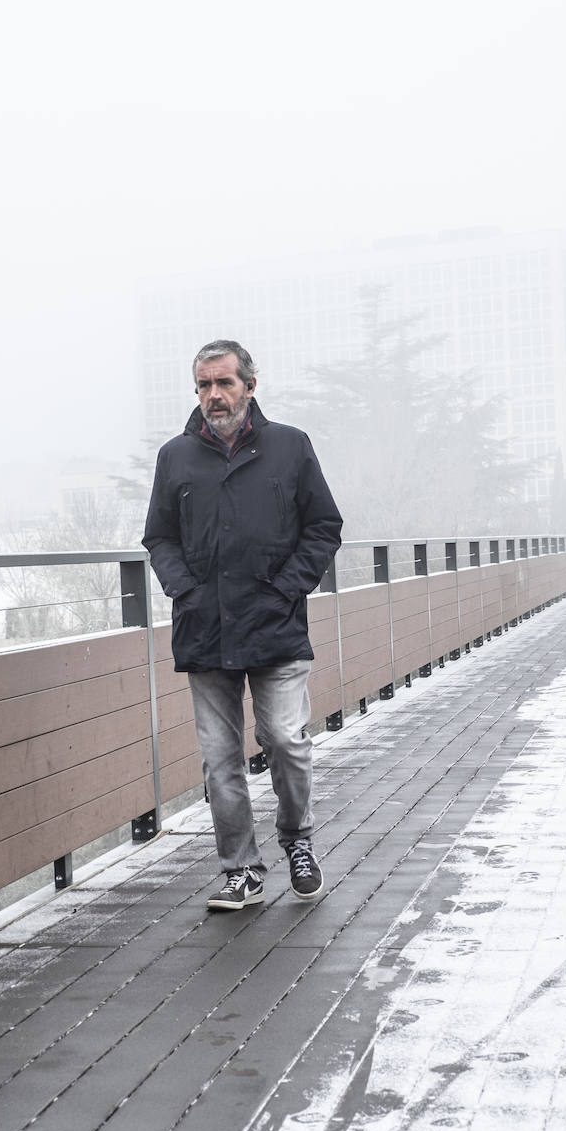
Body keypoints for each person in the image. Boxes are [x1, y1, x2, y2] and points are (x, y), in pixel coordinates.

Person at [143, 340, 343, 911]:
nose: (214, 396)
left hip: (276, 626)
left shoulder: (289, 447)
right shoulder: (175, 457)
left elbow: (324, 525)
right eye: (204, 386)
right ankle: (241, 871)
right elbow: (159, 536)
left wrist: (287, 589)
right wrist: (185, 590)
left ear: (250, 386)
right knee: (220, 760)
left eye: (224, 383)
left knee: (285, 740)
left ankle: (298, 841)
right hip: (205, 632)